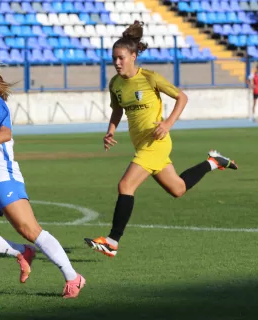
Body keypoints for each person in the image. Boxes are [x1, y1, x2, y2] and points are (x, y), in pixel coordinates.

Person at [84, 21, 238, 258]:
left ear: (134, 56)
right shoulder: (115, 84)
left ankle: (112, 241)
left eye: (121, 58)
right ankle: (213, 162)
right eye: (114, 58)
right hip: (143, 144)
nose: (116, 62)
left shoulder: (150, 78)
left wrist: (167, 124)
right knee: (178, 189)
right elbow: (117, 110)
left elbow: (182, 98)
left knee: (126, 186)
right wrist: (111, 131)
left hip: (155, 142)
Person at [0, 54, 85, 299]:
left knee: (31, 229)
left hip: (4, 179)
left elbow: (5, 132)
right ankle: (21, 253)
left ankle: (73, 277)